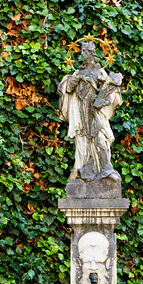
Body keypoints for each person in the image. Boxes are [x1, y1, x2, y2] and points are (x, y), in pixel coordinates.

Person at [58, 40, 123, 181]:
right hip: (81, 110)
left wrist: (105, 87)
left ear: (91, 53)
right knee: (82, 139)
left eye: (84, 51)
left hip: (96, 110)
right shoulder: (78, 72)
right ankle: (80, 169)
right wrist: (75, 80)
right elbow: (67, 88)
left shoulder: (100, 71)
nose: (82, 54)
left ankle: (105, 169)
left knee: (101, 137)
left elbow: (111, 90)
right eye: (81, 51)